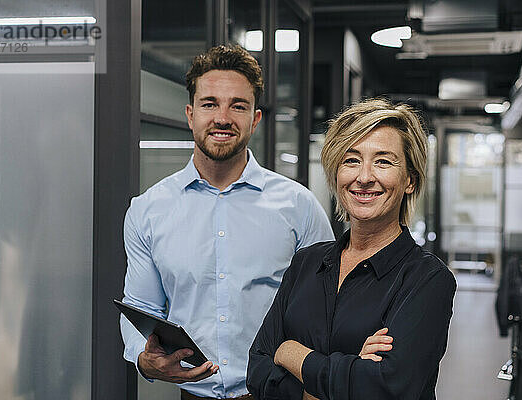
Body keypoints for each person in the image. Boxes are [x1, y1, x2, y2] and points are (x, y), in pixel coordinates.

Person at [119, 45, 335, 399]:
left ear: (255, 119)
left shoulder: (299, 207)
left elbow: (328, 306)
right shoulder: (148, 210)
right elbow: (141, 306)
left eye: (238, 105)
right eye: (209, 104)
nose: (223, 117)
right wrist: (144, 359)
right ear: (190, 114)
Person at [247, 98, 457, 400]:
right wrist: (348, 372)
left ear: (410, 180)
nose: (364, 177)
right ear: (336, 174)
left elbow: (387, 388)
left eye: (383, 161)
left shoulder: (428, 279)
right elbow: (257, 369)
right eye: (351, 160)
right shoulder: (306, 262)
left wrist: (291, 352)